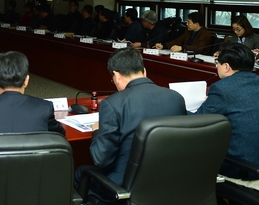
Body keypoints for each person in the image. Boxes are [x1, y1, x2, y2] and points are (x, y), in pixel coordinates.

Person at [75, 48, 186, 202]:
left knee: (80, 172)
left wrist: (98, 131)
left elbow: (101, 160)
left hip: (124, 186)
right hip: (168, 180)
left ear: (116, 75)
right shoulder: (176, 98)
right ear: (144, 71)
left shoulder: (113, 103)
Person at [194, 43, 259, 190]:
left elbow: (198, 122)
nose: (217, 67)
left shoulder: (222, 88)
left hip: (239, 167)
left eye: (217, 63)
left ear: (226, 67)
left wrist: (178, 106)